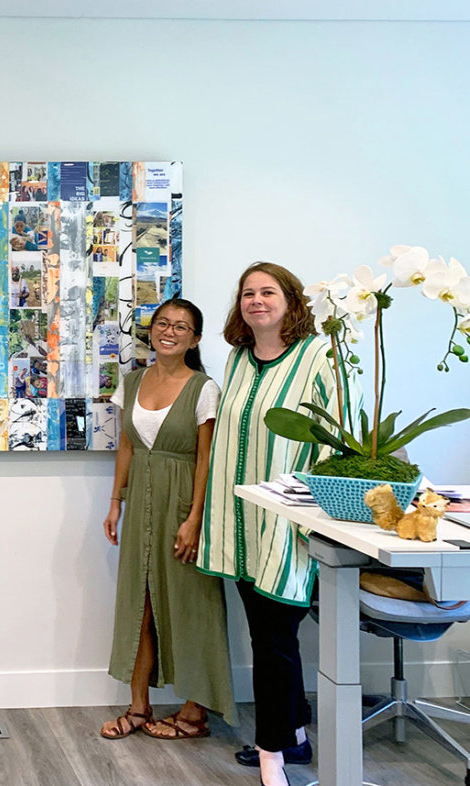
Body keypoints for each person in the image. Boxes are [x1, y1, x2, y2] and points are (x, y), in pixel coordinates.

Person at [196, 262, 336, 786]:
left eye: (268, 291)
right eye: (248, 293)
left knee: (274, 641)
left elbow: (337, 437)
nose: (256, 300)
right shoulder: (238, 359)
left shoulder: (319, 356)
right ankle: (294, 737)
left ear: (292, 300)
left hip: (288, 522)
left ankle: (271, 755)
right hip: (239, 523)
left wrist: (314, 517)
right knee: (270, 637)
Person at [99, 298, 236, 742]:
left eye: (181, 326)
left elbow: (206, 459)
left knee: (191, 604)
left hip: (182, 505)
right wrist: (115, 502)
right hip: (140, 499)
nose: (169, 331)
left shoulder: (204, 388)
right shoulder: (133, 381)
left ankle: (195, 712)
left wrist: (195, 518)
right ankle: (138, 707)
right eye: (162, 323)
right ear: (151, 330)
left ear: (195, 339)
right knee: (138, 604)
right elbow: (126, 446)